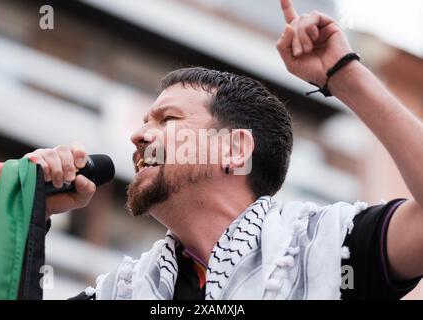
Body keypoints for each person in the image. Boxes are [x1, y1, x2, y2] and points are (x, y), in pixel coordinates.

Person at [25, 0, 423, 300]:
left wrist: (345, 73)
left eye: (167, 120)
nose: (139, 135)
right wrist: (31, 216)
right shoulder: (123, 292)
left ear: (234, 149)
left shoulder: (327, 246)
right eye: (146, 121)